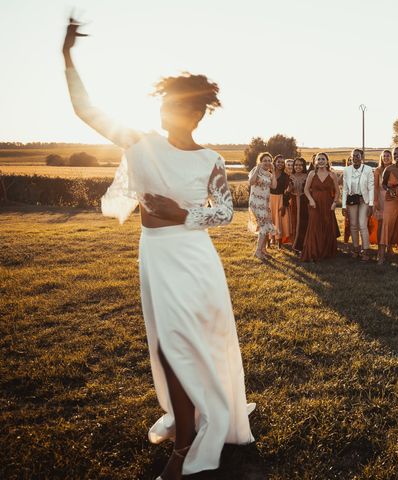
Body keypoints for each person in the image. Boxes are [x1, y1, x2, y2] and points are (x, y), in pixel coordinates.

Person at [61, 19, 254, 480]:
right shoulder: (141, 144)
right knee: (167, 346)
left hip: (195, 258)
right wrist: (66, 57)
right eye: (166, 106)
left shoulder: (210, 160)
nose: (168, 113)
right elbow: (86, 110)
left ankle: (186, 446)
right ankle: (192, 425)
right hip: (156, 254)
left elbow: (226, 212)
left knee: (181, 347)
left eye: (177, 108)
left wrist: (183, 213)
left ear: (196, 115)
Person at [302, 152, 340, 261]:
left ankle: (327, 252)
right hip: (315, 204)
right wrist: (311, 200)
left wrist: (334, 203)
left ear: (327, 161)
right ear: (315, 162)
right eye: (319, 159)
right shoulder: (312, 174)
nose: (321, 161)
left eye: (323, 159)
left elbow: (337, 192)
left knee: (327, 226)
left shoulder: (332, 175)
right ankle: (314, 252)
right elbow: (306, 189)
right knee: (314, 227)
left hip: (328, 204)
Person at [341, 148, 375, 260]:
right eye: (353, 156)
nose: (355, 158)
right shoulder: (346, 170)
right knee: (353, 225)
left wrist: (371, 204)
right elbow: (345, 189)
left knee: (362, 224)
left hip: (364, 200)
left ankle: (366, 250)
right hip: (351, 200)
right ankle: (355, 248)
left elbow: (371, 187)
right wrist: (343, 206)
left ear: (362, 157)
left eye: (357, 156)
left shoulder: (368, 170)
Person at [248, 152, 278, 258]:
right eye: (265, 160)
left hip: (265, 202)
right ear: (260, 162)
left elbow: (274, 186)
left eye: (269, 160)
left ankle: (263, 250)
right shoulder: (255, 171)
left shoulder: (269, 174)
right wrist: (257, 169)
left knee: (265, 225)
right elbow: (251, 182)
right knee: (264, 226)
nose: (267, 162)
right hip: (255, 202)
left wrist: (273, 171)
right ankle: (258, 251)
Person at [290, 157, 309, 253]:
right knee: (294, 222)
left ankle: (302, 245)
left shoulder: (307, 176)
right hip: (293, 202)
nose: (298, 167)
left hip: (304, 201)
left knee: (303, 223)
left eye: (300, 165)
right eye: (296, 165)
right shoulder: (290, 176)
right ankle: (294, 244)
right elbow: (286, 192)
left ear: (304, 166)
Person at [373, 149, 393, 245]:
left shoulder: (395, 168)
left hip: (392, 198)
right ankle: (380, 246)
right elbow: (375, 187)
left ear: (391, 157)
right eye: (384, 156)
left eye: (388, 156)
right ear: (381, 157)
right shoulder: (378, 170)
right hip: (381, 198)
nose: (386, 157)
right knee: (381, 223)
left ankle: (389, 246)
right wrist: (375, 201)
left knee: (391, 223)